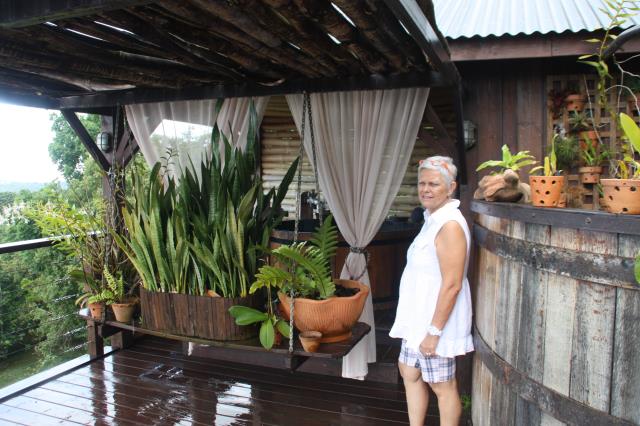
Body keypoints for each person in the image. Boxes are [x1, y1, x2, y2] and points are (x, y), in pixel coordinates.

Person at [389, 156, 474, 426]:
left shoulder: (449, 225)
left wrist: (434, 332)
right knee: (409, 372)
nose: (425, 189)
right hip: (417, 320)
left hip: (434, 325)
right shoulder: (432, 218)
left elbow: (452, 284)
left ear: (451, 188)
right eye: (422, 183)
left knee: (442, 385)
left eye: (433, 184)